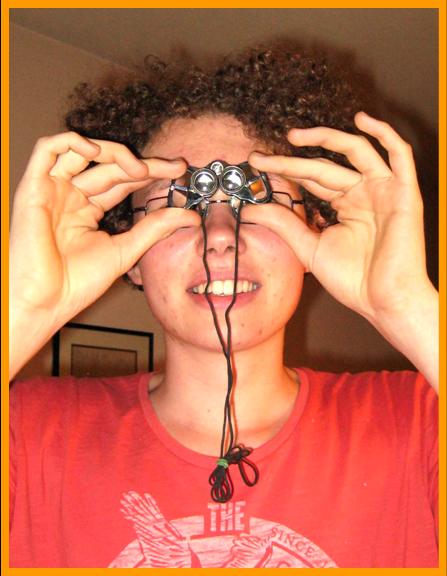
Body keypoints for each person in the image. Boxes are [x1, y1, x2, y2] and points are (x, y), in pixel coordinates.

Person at [9, 45, 438, 568]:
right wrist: (24, 307)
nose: (219, 236)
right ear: (133, 256)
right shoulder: (27, 434)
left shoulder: (420, 422)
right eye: (177, 201)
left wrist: (409, 307)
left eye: (257, 199)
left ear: (314, 233)